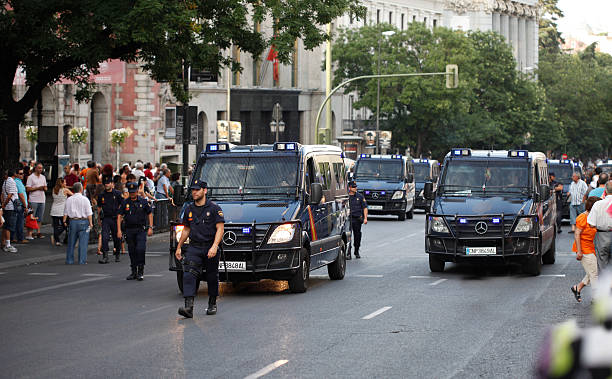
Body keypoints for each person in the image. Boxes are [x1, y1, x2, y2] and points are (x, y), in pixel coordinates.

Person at [175, 180, 224, 318]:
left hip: (210, 247)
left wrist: (215, 246)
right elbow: (186, 230)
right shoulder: (189, 209)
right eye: (193, 190)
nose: (194, 192)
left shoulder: (214, 208)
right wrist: (179, 247)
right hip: (194, 247)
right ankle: (188, 307)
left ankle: (212, 303)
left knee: (211, 276)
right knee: (189, 274)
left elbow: (220, 228)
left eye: (197, 189)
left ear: (205, 190)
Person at [117, 182, 153, 281]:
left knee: (140, 249)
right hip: (129, 230)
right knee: (132, 251)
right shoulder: (125, 202)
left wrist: (150, 227)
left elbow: (149, 213)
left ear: (137, 191)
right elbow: (119, 215)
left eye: (134, 192)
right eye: (131, 192)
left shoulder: (143, 201)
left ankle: (140, 270)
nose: (132, 194)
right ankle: (134, 271)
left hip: (141, 229)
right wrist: (119, 230)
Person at [570, 196, 601, 302]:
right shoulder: (583, 217)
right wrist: (579, 251)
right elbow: (577, 234)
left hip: (592, 248)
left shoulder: (594, 217)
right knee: (594, 274)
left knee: (592, 272)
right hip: (584, 248)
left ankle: (577, 288)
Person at [62, 182, 93, 265]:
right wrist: (91, 223)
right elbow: (89, 213)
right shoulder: (85, 199)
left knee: (71, 242)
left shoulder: (69, 199)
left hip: (73, 221)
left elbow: (66, 212)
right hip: (84, 221)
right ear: (81, 189)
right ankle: (82, 260)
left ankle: (69, 260)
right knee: (83, 243)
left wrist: (64, 221)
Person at [98, 176, 123, 263]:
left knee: (117, 238)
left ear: (112, 184)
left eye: (108, 183)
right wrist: (99, 219)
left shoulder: (117, 194)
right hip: (106, 218)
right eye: (105, 184)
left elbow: (122, 205)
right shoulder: (101, 195)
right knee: (105, 237)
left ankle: (117, 254)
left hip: (115, 218)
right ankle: (105, 256)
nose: (106, 185)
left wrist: (121, 217)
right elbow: (99, 207)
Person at [587, 181, 612, 271]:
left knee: (602, 261)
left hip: (602, 235)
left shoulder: (598, 204)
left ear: (605, 191)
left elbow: (591, 223)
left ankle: (605, 283)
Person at [25, 162, 47, 238]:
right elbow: (27, 189)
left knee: (40, 217)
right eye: (39, 168)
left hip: (42, 199)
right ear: (35, 168)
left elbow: (45, 187)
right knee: (32, 217)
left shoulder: (43, 177)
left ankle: (38, 232)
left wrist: (44, 188)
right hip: (33, 199)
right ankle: (30, 233)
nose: (40, 169)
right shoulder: (30, 177)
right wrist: (38, 188)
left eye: (41, 168)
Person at [50, 177, 73, 246]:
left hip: (54, 210)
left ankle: (57, 240)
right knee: (65, 226)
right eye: (65, 182)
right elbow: (74, 195)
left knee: (56, 226)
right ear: (62, 183)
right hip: (62, 211)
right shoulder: (65, 190)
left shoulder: (54, 189)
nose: (66, 183)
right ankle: (56, 236)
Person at [348, 180, 368, 259]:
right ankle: (348, 252)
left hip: (357, 219)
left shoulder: (360, 196)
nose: (355, 188)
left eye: (355, 187)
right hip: (348, 219)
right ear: (349, 188)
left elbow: (365, 208)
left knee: (357, 236)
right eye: (353, 187)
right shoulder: (346, 197)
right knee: (348, 236)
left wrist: (365, 218)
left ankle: (356, 250)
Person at [1, 169, 19, 253]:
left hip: (6, 206)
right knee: (9, 226)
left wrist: (3, 205)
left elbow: (2, 194)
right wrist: (4, 204)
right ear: (14, 174)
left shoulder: (5, 182)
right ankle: (8, 245)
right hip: (10, 206)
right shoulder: (11, 181)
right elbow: (10, 195)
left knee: (5, 225)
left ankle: (3, 242)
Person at [12, 168, 28, 244]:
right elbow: (21, 195)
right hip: (20, 205)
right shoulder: (17, 182)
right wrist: (25, 206)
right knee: (20, 222)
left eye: (23, 173)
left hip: (19, 205)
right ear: (16, 174)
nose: (22, 175)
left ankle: (13, 238)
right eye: (20, 174)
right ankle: (20, 238)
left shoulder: (18, 182)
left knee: (16, 222)